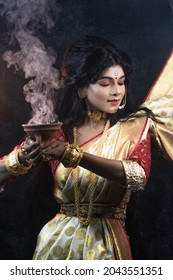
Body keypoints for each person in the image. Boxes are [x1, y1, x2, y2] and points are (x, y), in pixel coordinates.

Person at [0, 35, 173, 260]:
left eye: (121, 83)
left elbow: (136, 176)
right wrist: (23, 157)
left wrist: (73, 155)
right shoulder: (59, 133)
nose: (116, 91)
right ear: (82, 88)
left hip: (105, 244)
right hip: (56, 244)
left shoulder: (132, 128)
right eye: (105, 83)